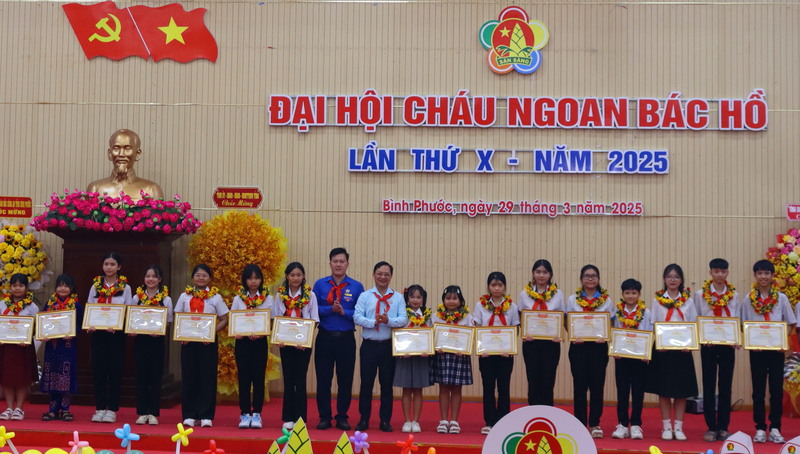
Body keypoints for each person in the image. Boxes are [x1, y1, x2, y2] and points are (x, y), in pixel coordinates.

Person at [312, 247, 365, 430]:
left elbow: (361, 313)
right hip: (324, 337)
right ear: (330, 263)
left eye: (342, 261)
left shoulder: (357, 287)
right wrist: (330, 309)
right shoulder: (320, 285)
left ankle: (342, 416)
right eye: (335, 261)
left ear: (347, 264)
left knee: (345, 380)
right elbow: (312, 310)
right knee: (323, 379)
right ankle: (324, 417)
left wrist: (344, 312)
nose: (338, 264)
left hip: (346, 339)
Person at [744, 259, 795, 443]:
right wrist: (751, 341)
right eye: (760, 273)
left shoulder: (781, 298)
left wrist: (783, 341)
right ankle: (759, 428)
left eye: (767, 273)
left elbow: (791, 323)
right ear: (755, 275)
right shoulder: (748, 298)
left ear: (772, 276)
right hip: (757, 351)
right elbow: (743, 324)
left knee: (776, 391)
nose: (763, 276)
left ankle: (775, 428)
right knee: (758, 391)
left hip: (776, 351)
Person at [353, 261, 408, 432]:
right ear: (373, 275)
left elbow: (403, 319)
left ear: (391, 276)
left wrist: (388, 320)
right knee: (366, 384)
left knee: (387, 385)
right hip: (369, 346)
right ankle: (364, 419)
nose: (383, 277)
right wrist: (373, 322)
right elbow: (356, 317)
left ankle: (385, 421)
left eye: (386, 274)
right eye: (379, 273)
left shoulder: (398, 297)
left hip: (388, 347)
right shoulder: (365, 296)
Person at [173, 264, 229, 428]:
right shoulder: (184, 296)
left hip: (207, 343)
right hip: (188, 342)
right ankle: (189, 414)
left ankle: (206, 415)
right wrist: (181, 334)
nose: (201, 278)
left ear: (210, 278)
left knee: (207, 377)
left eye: (204, 275)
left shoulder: (215, 297)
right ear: (193, 278)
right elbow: (178, 316)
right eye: (198, 275)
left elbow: (224, 319)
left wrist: (211, 332)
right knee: (189, 377)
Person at [647, 264, 698, 441]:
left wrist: (689, 344)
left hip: (683, 350)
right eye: (669, 276)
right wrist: (659, 342)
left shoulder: (689, 301)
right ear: (664, 279)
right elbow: (654, 324)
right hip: (663, 350)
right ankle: (666, 427)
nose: (672, 279)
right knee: (664, 390)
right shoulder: (657, 301)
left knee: (681, 391)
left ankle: (679, 427)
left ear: (681, 280)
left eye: (676, 276)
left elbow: (693, 325)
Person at [693, 258, 742, 442]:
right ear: (710, 273)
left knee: (725, 385)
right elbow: (697, 318)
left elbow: (737, 318)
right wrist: (702, 338)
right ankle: (711, 427)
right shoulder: (700, 294)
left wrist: (736, 338)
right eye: (716, 271)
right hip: (708, 345)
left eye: (723, 271)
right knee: (708, 384)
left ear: (727, 273)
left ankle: (723, 427)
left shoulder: (734, 294)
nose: (720, 275)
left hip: (728, 345)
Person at [566, 264, 612, 438]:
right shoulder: (572, 299)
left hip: (599, 348)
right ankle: (579, 423)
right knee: (579, 386)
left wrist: (605, 336)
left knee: (597, 386)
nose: (590, 279)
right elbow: (567, 322)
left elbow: (610, 323)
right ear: (581, 279)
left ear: (598, 279)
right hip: (578, 347)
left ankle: (594, 424)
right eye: (587, 276)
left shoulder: (606, 300)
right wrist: (573, 335)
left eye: (594, 276)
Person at [87, 251, 133, 424]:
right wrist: (90, 324)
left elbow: (128, 310)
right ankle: (99, 408)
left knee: (115, 371)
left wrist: (119, 324)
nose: (109, 267)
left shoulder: (125, 287)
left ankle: (112, 409)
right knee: (99, 371)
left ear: (119, 267)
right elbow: (90, 307)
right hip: (98, 334)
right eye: (106, 264)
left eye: (112, 264)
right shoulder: (95, 286)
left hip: (116, 335)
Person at [272, 262, 319, 431]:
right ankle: (288, 417)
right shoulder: (280, 295)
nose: (295, 278)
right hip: (285, 343)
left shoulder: (310, 295)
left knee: (300, 379)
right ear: (287, 276)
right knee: (288, 378)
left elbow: (314, 320)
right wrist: (279, 338)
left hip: (303, 344)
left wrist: (305, 340)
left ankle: (300, 418)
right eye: (292, 275)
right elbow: (276, 318)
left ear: (303, 276)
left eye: (299, 275)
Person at [473, 271, 520, 435]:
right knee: (488, 387)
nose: (497, 288)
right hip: (486, 354)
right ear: (488, 287)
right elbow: (477, 327)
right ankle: (489, 421)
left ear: (504, 287)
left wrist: (510, 348)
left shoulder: (512, 306)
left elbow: (515, 328)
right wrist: (481, 348)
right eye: (493, 285)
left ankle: (503, 422)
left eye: (500, 285)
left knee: (504, 387)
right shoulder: (480, 305)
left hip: (505, 354)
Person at [231, 264, 272, 429]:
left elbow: (271, 321)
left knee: (258, 378)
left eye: (256, 278)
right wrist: (236, 332)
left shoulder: (268, 298)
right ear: (245, 280)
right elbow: (233, 320)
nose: (253, 281)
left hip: (260, 342)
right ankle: (244, 413)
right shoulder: (238, 299)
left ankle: (257, 414)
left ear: (261, 280)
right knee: (244, 378)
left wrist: (262, 333)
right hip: (242, 343)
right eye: (250, 278)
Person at [518, 259, 564, 406]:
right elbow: (520, 316)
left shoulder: (558, 294)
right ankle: (533, 412)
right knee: (533, 380)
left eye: (545, 272)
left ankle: (547, 413)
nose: (541, 275)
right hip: (531, 343)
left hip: (551, 343)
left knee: (548, 380)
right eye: (538, 272)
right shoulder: (524, 294)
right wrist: (525, 333)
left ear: (550, 274)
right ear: (533, 273)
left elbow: (562, 317)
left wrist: (558, 335)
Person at [131, 265, 173, 426]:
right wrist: (132, 329)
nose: (150, 279)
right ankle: (142, 412)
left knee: (155, 377)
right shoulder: (137, 298)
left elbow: (168, 322)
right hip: (140, 341)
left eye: (154, 276)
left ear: (160, 279)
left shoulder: (166, 299)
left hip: (157, 342)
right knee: (141, 377)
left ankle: (153, 413)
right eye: (148, 276)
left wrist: (160, 330)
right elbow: (132, 318)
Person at [610, 278, 651, 440]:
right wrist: (615, 349)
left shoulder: (646, 312)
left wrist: (646, 353)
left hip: (640, 358)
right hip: (622, 357)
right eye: (627, 293)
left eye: (634, 293)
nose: (630, 296)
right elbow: (614, 331)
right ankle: (622, 424)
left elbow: (650, 332)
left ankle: (635, 424)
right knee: (622, 391)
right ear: (622, 294)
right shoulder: (617, 312)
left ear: (639, 294)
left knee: (638, 391)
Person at [430, 285, 473, 435]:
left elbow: (471, 336)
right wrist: (435, 347)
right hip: (442, 356)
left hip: (459, 357)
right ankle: (443, 420)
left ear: (460, 300)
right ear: (443, 300)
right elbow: (430, 335)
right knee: (443, 388)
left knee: (456, 389)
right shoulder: (436, 316)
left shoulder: (467, 317)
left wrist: (465, 348)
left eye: (455, 298)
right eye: (448, 298)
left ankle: (454, 421)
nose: (451, 301)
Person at [40, 274, 80, 422]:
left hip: (67, 347)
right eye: (60, 285)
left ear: (71, 288)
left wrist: (72, 333)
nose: (63, 289)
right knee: (52, 377)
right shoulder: (50, 304)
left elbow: (80, 326)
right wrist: (43, 334)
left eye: (66, 286)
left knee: (66, 377)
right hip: (52, 347)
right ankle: (52, 410)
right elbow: (43, 323)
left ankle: (65, 409)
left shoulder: (76, 305)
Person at [393, 285, 432, 433]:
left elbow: (431, 335)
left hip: (421, 358)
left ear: (423, 299)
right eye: (412, 297)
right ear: (407, 299)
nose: (415, 300)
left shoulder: (428, 316)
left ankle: (416, 421)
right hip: (405, 357)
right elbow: (396, 332)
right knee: (406, 389)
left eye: (418, 297)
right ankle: (407, 420)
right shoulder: (402, 315)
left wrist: (428, 350)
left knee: (418, 390)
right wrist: (401, 350)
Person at [0, 274, 39, 421]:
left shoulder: (32, 306)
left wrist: (27, 337)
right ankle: (9, 407)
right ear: (10, 287)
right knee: (7, 378)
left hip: (24, 348)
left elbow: (37, 327)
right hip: (6, 347)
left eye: (21, 286)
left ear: (26, 288)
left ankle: (19, 409)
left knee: (22, 378)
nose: (17, 289)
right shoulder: (2, 304)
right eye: (14, 285)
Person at [86, 129, 164, 201]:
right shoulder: (95, 188)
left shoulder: (152, 190)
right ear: (109, 153)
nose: (121, 154)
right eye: (116, 148)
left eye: (127, 148)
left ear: (138, 154)